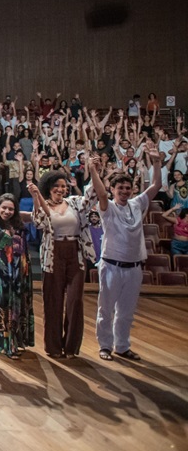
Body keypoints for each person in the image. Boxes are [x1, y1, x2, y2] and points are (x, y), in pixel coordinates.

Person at [90, 150, 162, 361]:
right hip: (111, 265)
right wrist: (93, 169)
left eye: (127, 188)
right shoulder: (108, 207)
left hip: (134, 267)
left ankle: (122, 346)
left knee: (126, 312)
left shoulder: (137, 203)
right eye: (120, 188)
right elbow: (101, 194)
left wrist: (156, 163)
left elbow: (156, 186)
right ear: (112, 189)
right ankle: (105, 345)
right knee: (106, 309)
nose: (124, 191)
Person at [31, 170, 97, 358]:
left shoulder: (74, 202)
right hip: (53, 254)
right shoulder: (44, 205)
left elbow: (92, 196)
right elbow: (39, 222)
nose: (61, 189)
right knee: (53, 301)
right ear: (49, 188)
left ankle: (71, 347)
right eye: (57, 186)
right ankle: (53, 347)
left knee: (75, 300)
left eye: (64, 186)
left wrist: (95, 171)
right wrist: (36, 197)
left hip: (75, 252)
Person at [0, 194, 35, 358]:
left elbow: (39, 215)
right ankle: (2, 343)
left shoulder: (20, 220)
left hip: (20, 269)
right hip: (0, 270)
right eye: (4, 208)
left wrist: (36, 195)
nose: (7, 211)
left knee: (17, 304)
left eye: (11, 208)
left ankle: (15, 341)